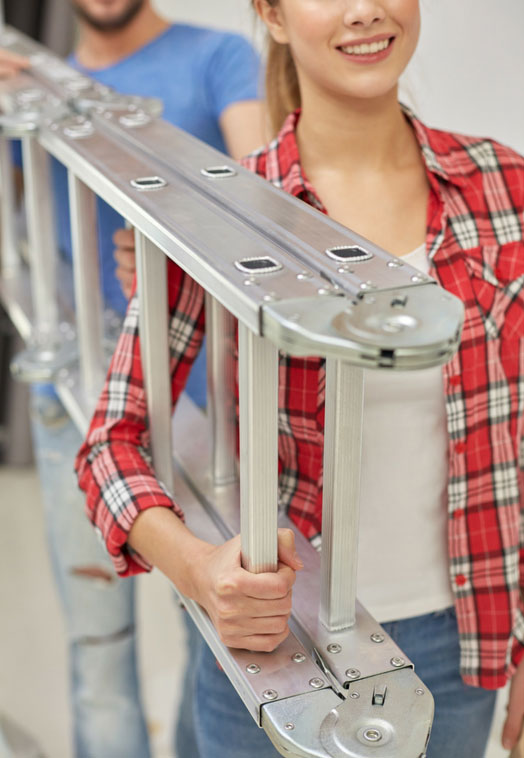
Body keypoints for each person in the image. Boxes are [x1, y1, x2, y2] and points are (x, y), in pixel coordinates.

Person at [75, 0, 524, 756]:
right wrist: (200, 571)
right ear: (273, 15)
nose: (363, 11)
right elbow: (110, 444)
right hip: (274, 655)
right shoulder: (220, 215)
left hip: (463, 643)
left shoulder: (503, 189)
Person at [0, 1, 265, 755]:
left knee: (211, 634)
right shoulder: (35, 82)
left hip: (201, 409)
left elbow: (263, 193)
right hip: (77, 404)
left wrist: (176, 244)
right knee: (99, 645)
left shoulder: (218, 58)